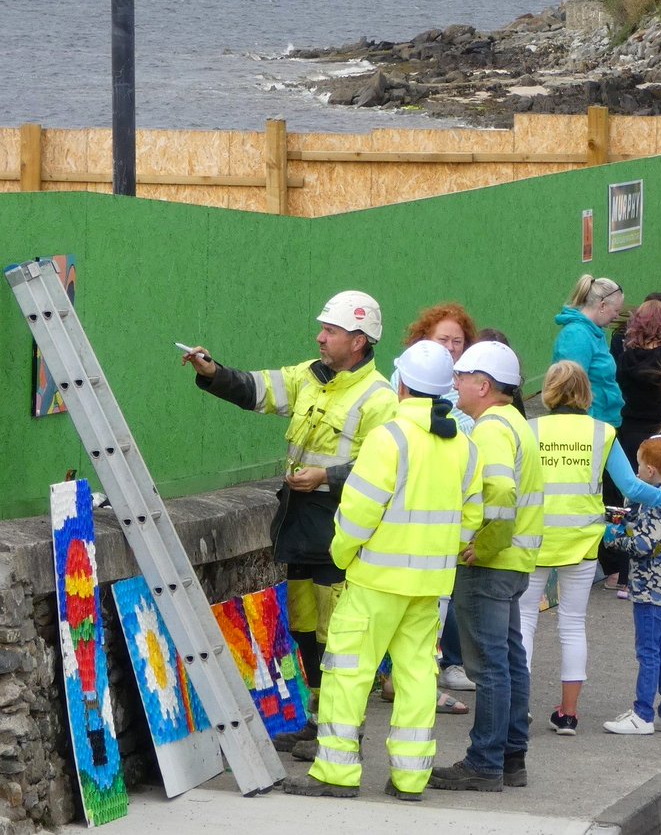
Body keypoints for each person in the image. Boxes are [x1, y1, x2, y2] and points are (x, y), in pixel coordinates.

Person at [182, 291, 398, 753]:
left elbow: (386, 469)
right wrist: (213, 372)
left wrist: (326, 477)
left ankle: (343, 732)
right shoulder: (309, 376)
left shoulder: (380, 398)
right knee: (304, 627)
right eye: (322, 329)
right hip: (299, 520)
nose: (320, 337)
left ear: (358, 341)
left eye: (331, 331)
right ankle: (318, 719)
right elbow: (256, 389)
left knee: (335, 634)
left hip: (341, 526)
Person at [283, 342, 482, 801]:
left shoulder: (388, 439)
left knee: (348, 672)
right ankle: (410, 779)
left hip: (375, 581)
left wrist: (342, 555)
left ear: (403, 385)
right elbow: (471, 517)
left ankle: (336, 772)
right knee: (417, 677)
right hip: (430, 585)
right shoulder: (463, 445)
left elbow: (358, 512)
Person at [517, 361, 661, 735]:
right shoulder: (602, 433)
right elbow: (631, 487)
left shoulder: (530, 430)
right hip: (582, 541)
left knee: (523, 622)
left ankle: (517, 709)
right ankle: (568, 715)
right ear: (586, 393)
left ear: (549, 392)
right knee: (572, 625)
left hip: (535, 538)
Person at [430, 341, 543, 793]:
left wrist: (486, 546)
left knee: (489, 667)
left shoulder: (491, 429)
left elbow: (499, 493)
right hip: (514, 563)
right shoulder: (514, 422)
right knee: (510, 661)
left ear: (483, 385)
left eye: (461, 377)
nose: (455, 383)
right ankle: (511, 757)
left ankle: (485, 762)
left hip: (490, 565)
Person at [388, 302, 480, 705]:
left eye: (458, 341)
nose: (451, 348)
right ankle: (413, 680)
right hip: (415, 512)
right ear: (423, 340)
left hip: (445, 508)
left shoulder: (466, 384)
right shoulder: (404, 382)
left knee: (438, 603)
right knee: (426, 606)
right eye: (444, 339)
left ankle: (436, 671)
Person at [601, 436, 661, 736]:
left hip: (650, 587)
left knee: (648, 651)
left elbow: (643, 545)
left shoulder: (656, 502)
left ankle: (643, 714)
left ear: (650, 470)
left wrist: (612, 536)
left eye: (638, 466)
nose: (635, 472)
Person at [605, 300, 661, 593]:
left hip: (628, 432)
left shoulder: (625, 358)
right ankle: (659, 564)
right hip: (660, 433)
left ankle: (621, 574)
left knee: (628, 500)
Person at [551, 275, 625, 428]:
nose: (617, 316)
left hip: (604, 422)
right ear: (602, 306)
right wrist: (588, 429)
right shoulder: (576, 336)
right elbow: (572, 391)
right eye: (616, 310)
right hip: (592, 427)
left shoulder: (594, 332)